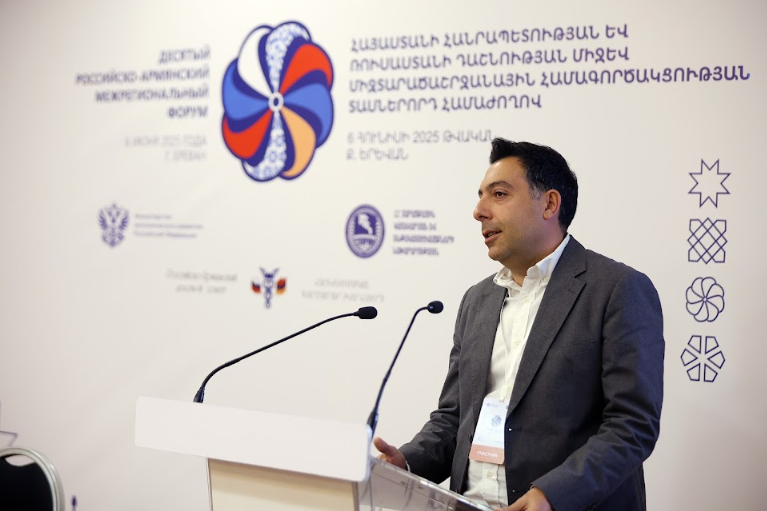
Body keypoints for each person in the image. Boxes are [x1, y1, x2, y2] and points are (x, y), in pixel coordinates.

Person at [374, 139, 664, 511]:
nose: (479, 211)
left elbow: (631, 425)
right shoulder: (477, 300)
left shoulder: (616, 289)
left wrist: (552, 495)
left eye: (499, 194)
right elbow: (455, 418)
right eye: (480, 196)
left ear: (550, 204)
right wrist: (408, 463)